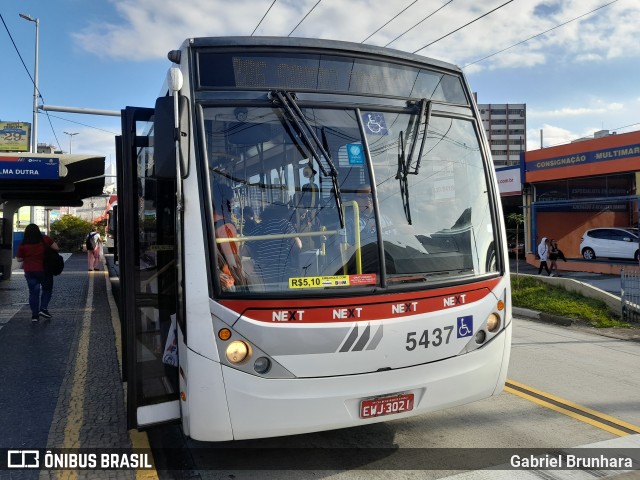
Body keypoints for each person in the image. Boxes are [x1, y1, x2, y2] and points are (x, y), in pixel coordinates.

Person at [244, 203, 302, 284]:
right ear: (283, 213)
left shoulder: (259, 227)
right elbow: (298, 245)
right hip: (284, 273)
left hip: (263, 275)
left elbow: (245, 251)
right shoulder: (284, 224)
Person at [16, 223, 60, 322]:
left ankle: (34, 316)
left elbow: (19, 259)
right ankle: (43, 308)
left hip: (29, 271)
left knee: (33, 293)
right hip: (44, 270)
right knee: (47, 289)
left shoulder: (23, 243)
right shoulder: (45, 239)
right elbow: (56, 248)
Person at [212, 183, 244, 291]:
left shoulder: (208, 222)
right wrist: (243, 286)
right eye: (231, 201)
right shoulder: (226, 227)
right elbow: (233, 263)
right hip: (227, 283)